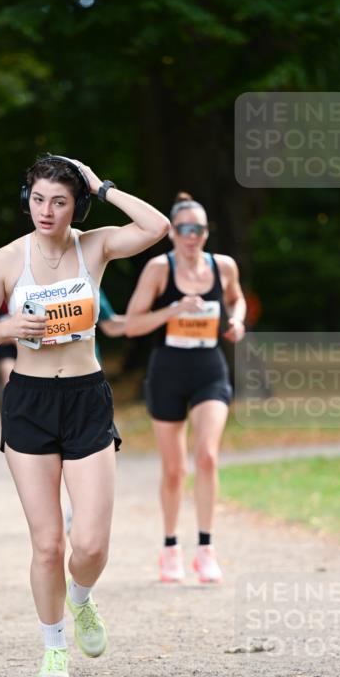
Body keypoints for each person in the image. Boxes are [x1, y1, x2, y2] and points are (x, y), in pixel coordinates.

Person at [0, 155, 169, 677]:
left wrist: (104, 185)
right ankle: (53, 649)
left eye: (59, 200)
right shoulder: (8, 259)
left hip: (85, 398)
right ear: (25, 199)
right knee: (49, 543)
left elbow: (157, 227)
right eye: (37, 199)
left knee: (92, 545)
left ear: (77, 204)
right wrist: (10, 326)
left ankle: (81, 599)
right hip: (29, 402)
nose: (46, 211)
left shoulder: (94, 244)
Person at [125, 192, 246, 584]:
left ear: (207, 233)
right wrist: (173, 309)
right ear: (172, 234)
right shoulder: (159, 269)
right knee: (175, 469)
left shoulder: (223, 266)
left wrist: (238, 322)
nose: (192, 236)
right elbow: (132, 325)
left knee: (207, 455)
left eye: (199, 229)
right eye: (184, 229)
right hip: (168, 372)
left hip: (209, 368)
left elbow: (236, 299)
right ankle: (170, 546)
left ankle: (206, 549)